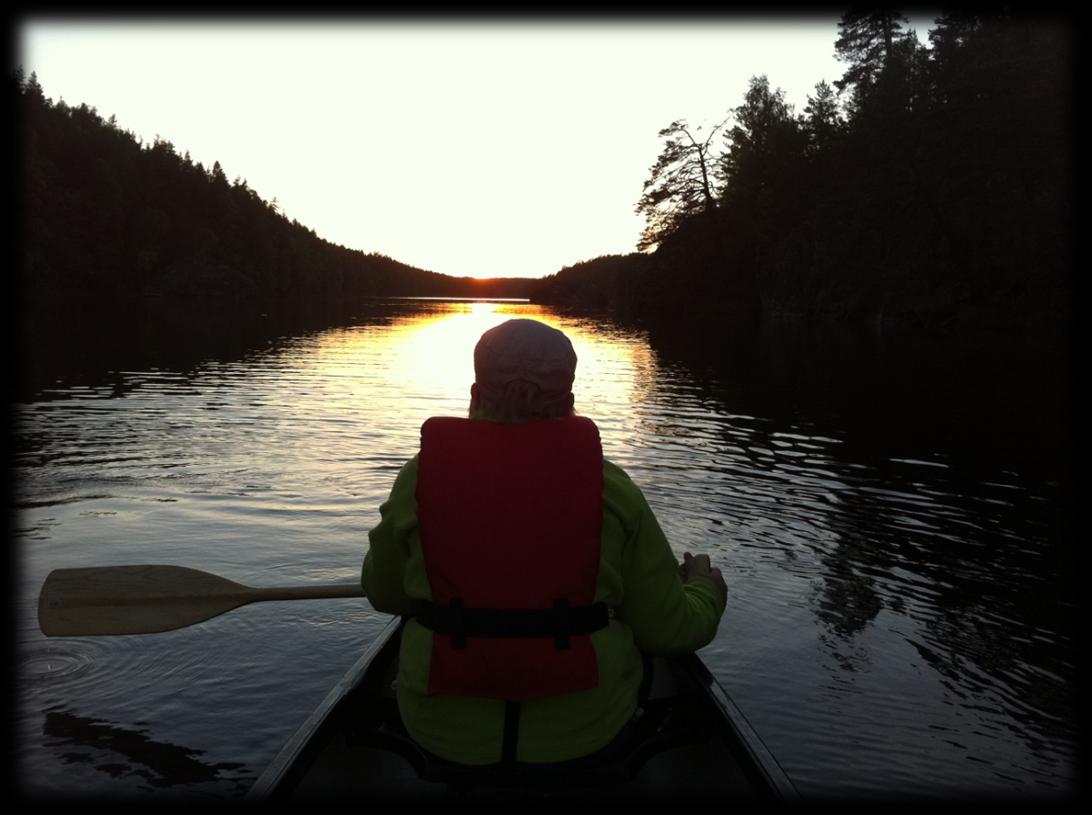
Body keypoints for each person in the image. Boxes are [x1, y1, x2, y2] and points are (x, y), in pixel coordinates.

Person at [362, 317, 727, 767]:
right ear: (569, 401)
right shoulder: (611, 489)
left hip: (442, 735)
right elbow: (669, 631)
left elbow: (384, 594)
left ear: (475, 395)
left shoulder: (418, 480)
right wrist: (705, 589)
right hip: (586, 737)